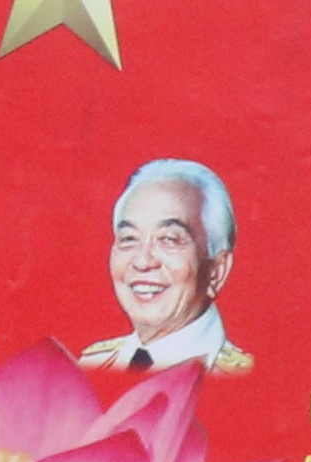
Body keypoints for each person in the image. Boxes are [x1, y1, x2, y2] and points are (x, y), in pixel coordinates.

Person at [78, 158, 254, 374]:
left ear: (216, 271)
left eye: (169, 239)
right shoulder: (92, 366)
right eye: (129, 238)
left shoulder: (247, 379)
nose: (143, 262)